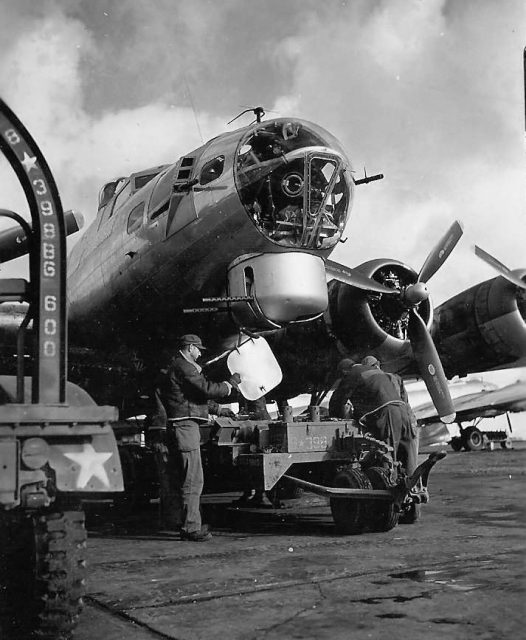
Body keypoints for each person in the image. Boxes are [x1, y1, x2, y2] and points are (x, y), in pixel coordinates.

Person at [155, 334, 241, 542]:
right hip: (186, 428)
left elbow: (193, 397)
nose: (201, 353)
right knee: (193, 479)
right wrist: (230, 384)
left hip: (179, 426)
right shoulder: (186, 367)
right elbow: (206, 389)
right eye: (198, 349)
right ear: (190, 348)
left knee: (180, 478)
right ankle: (191, 527)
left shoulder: (176, 366)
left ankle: (178, 521)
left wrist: (219, 410)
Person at [329, 356, 418, 477]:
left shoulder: (352, 374)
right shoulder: (375, 371)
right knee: (407, 455)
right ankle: (414, 488)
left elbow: (338, 399)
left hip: (387, 413)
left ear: (344, 372)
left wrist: (334, 418)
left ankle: (389, 488)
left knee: (387, 454)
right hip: (403, 411)